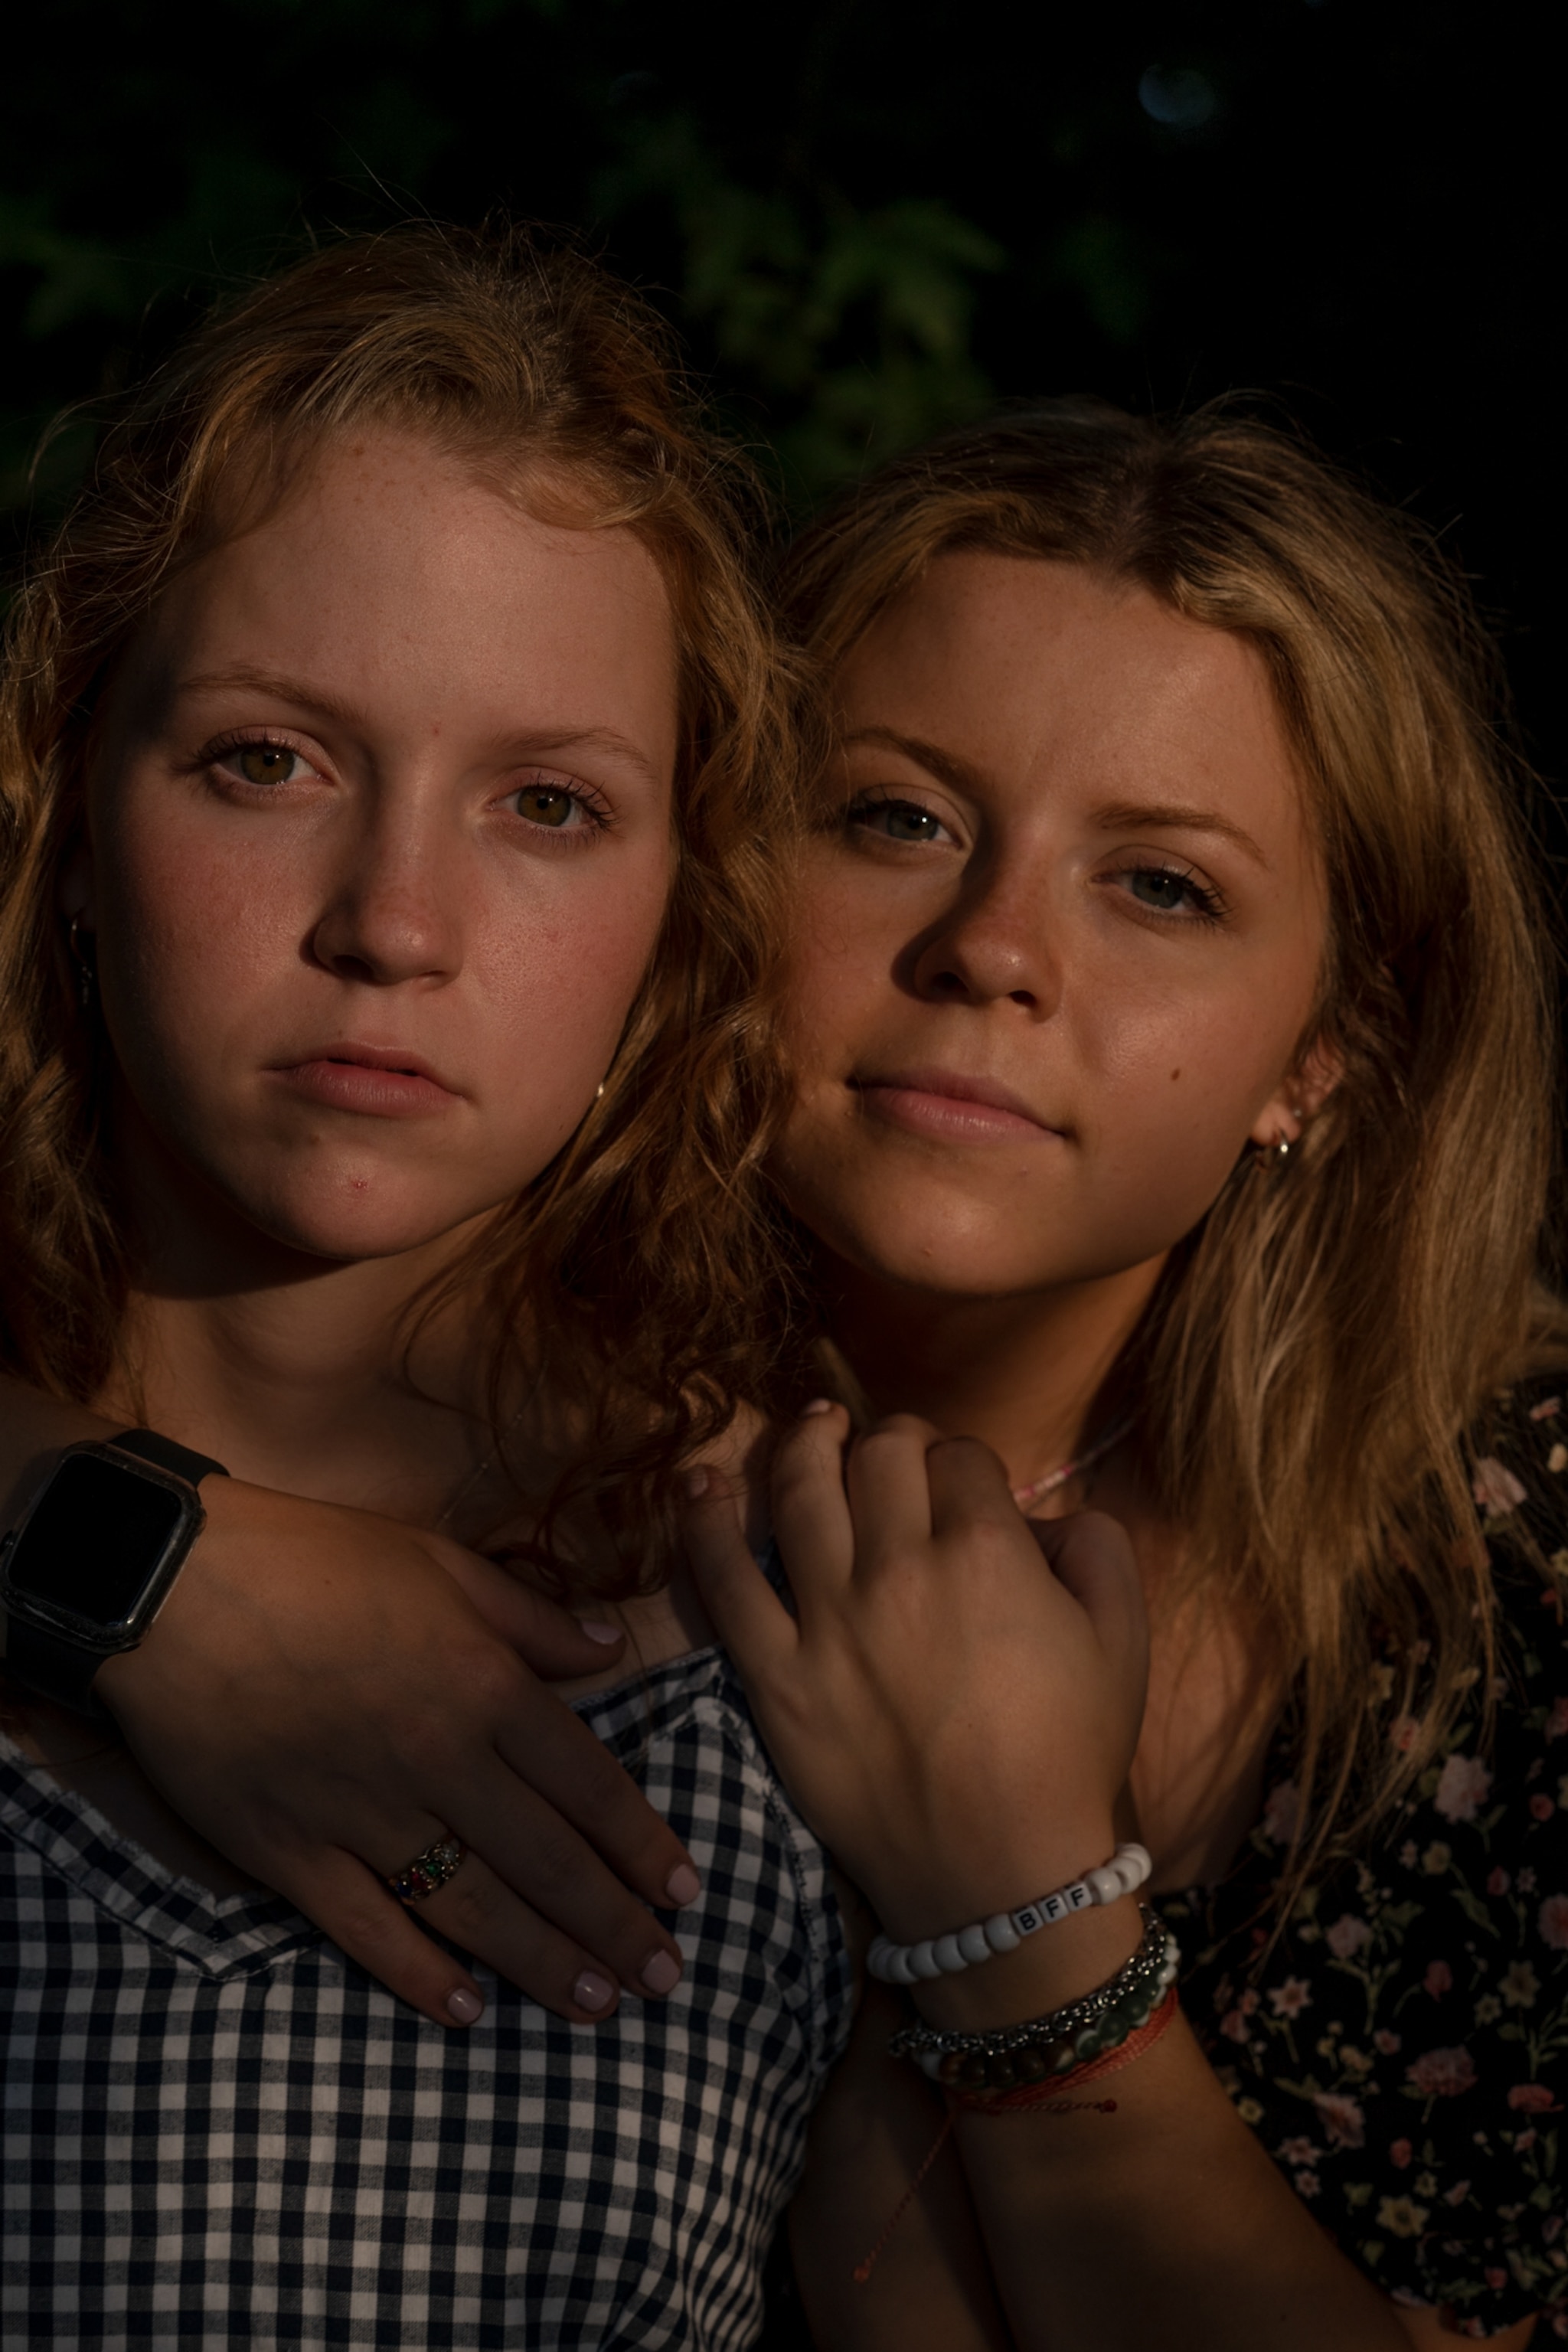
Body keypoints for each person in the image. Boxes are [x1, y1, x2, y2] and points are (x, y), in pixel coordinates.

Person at [0, 222, 854, 2349]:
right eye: (266, 762)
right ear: (68, 811)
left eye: (549, 804)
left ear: (683, 908)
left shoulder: (817, 1662)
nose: (395, 920)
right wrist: (121, 1554)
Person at [678, 402, 1568, 2347]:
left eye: (1158, 885)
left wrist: (1013, 1906)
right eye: (895, 817)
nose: (991, 950)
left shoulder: (1527, 1589)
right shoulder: (437, 1393)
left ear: (1319, 1058)